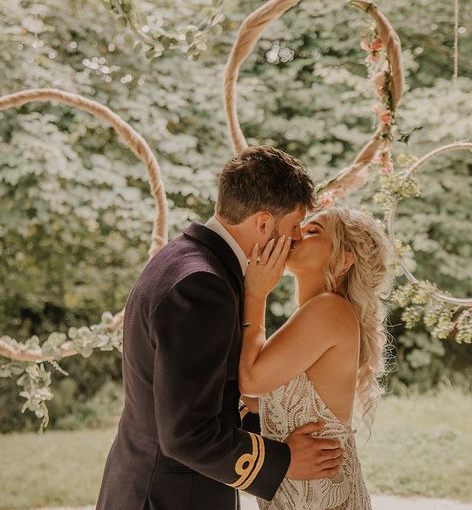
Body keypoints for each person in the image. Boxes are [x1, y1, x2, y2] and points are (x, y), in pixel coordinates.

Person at [96, 146, 344, 510]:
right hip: (167, 498)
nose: (295, 239)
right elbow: (186, 433)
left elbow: (208, 394)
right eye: (293, 227)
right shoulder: (202, 286)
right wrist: (284, 460)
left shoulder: (185, 258)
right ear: (263, 223)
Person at [239, 205, 393, 510]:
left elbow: (251, 381)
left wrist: (255, 295)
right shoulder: (315, 315)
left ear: (343, 260)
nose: (297, 234)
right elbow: (261, 399)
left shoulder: (328, 310)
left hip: (322, 497)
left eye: (312, 231)